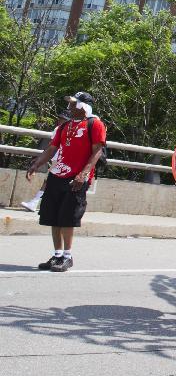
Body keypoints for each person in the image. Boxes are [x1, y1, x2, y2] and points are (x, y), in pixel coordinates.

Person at [25, 92, 106, 272]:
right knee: (54, 216)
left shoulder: (95, 124)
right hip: (57, 174)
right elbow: (52, 148)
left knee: (67, 218)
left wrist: (83, 174)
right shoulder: (65, 127)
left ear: (84, 106)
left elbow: (97, 152)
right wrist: (37, 163)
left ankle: (68, 257)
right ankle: (57, 255)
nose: (70, 107)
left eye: (74, 104)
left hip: (76, 177)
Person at [20, 112, 71, 212]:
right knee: (50, 181)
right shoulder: (65, 129)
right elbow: (51, 146)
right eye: (60, 118)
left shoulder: (62, 129)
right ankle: (38, 203)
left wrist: (41, 159)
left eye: (63, 119)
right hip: (61, 158)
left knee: (50, 181)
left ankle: (35, 203)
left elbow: (51, 147)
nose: (60, 120)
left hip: (60, 158)